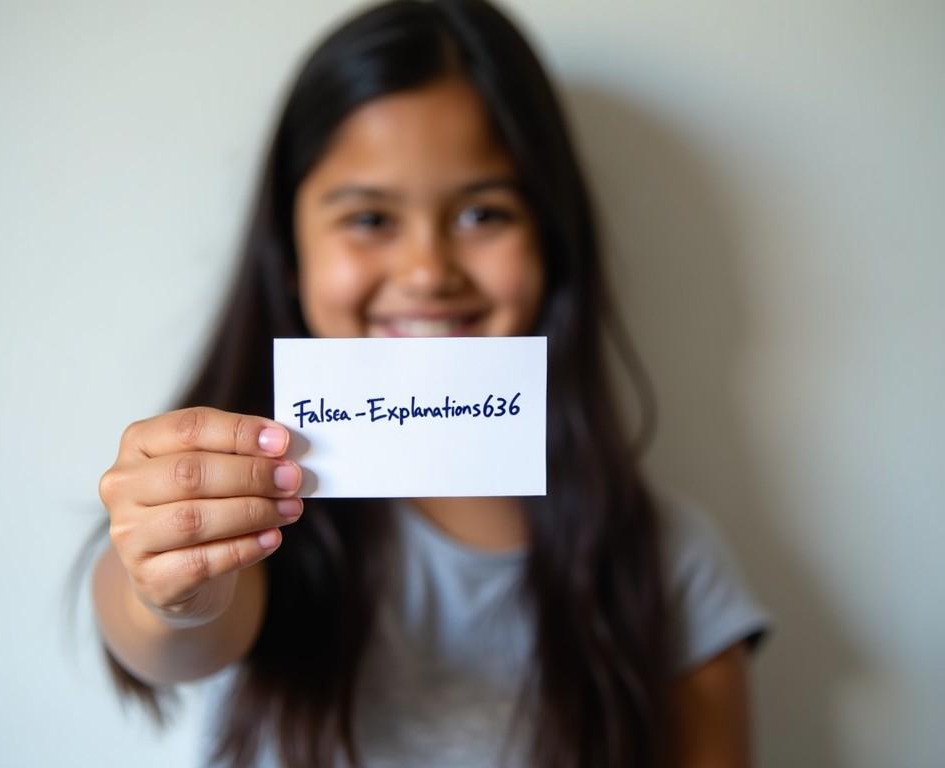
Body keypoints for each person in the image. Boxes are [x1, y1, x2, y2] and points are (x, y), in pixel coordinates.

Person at [82, 1, 771, 766]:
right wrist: (172, 589)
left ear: (551, 239)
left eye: (483, 212)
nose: (427, 272)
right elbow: (164, 636)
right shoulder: (250, 511)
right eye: (370, 219)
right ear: (289, 253)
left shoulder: (665, 559)